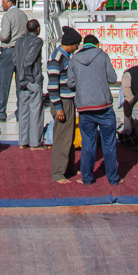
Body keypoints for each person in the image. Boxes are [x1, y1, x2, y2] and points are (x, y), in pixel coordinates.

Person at [65, 33, 119, 188]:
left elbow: (70, 83)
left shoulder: (74, 59)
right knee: (109, 144)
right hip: (104, 107)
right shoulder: (102, 56)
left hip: (85, 108)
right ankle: (113, 178)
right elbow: (112, 78)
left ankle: (87, 178)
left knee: (88, 144)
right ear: (97, 44)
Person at [0, 0, 28, 123]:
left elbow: (5, 36)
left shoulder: (7, 16)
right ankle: (21, 112)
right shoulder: (23, 15)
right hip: (21, 50)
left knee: (3, 83)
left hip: (9, 50)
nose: (2, 4)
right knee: (20, 83)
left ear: (9, 3)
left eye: (4, 2)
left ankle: (0, 112)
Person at [47, 27, 80, 182]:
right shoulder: (57, 59)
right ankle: (58, 172)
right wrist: (58, 107)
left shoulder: (66, 57)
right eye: (76, 45)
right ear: (71, 45)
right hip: (62, 102)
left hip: (68, 101)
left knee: (69, 136)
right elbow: (52, 85)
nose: (77, 48)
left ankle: (69, 168)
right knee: (62, 138)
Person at [13, 18, 46, 148]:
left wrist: (21, 75)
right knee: (36, 111)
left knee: (23, 111)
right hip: (32, 78)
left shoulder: (19, 41)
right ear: (37, 29)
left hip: (21, 79)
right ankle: (35, 142)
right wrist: (29, 77)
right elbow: (28, 61)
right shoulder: (37, 41)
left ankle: (23, 141)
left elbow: (14, 60)